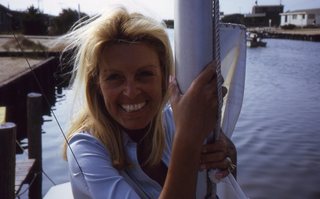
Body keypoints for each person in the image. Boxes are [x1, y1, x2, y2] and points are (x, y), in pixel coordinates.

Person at [60, 6, 237, 199]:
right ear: (97, 84)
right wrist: (188, 140)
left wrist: (226, 156)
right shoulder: (84, 150)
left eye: (144, 74)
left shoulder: (172, 120)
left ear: (163, 76)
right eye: (114, 77)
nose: (131, 92)